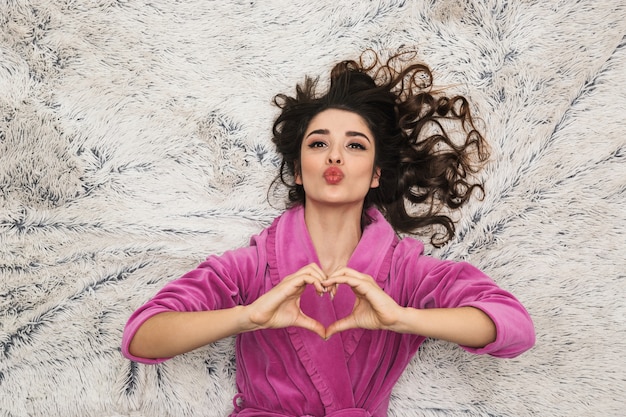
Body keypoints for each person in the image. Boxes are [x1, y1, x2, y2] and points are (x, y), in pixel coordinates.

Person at [122, 50, 535, 417]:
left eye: (355, 146)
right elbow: (141, 337)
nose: (335, 154)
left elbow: (515, 328)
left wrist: (402, 318)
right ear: (299, 171)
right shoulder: (250, 267)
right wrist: (247, 318)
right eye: (318, 144)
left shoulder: (406, 274)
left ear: (376, 175)